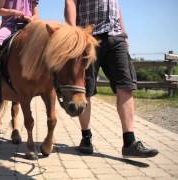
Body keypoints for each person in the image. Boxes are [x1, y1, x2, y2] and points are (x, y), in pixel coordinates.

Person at [64, 0, 159, 158]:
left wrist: (124, 32)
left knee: (126, 85)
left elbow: (116, 6)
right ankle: (86, 138)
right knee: (86, 89)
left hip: (116, 36)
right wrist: (73, 31)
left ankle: (129, 143)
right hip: (89, 35)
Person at [0, 0, 39, 92]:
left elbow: (36, 15)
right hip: (9, 25)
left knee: (43, 41)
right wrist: (13, 12)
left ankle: (49, 76)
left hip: (28, 25)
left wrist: (31, 19)